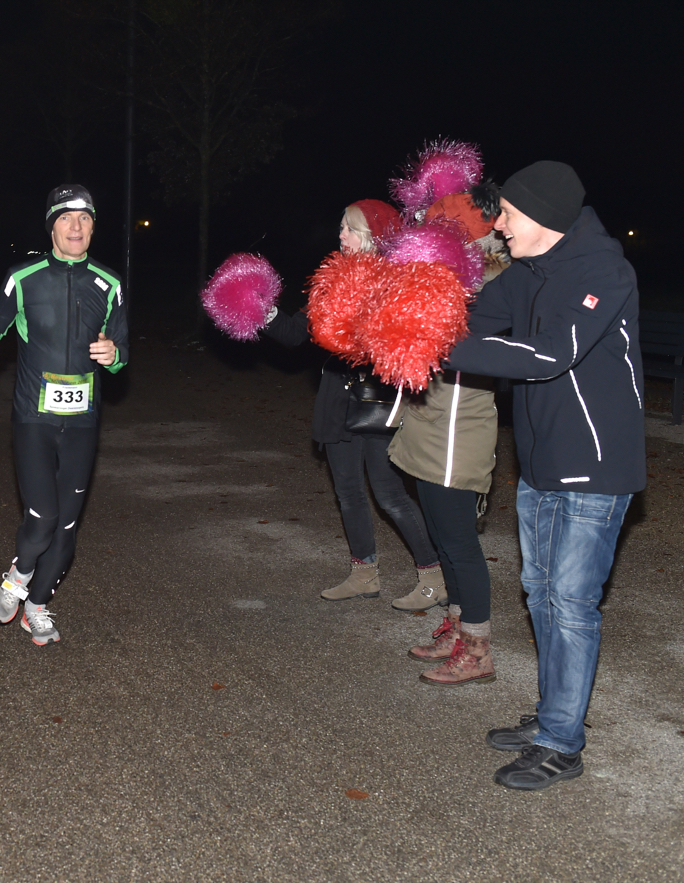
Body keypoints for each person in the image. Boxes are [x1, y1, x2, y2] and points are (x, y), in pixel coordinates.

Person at [443, 161, 645, 790]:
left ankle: (562, 743)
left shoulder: (602, 271)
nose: (496, 225)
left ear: (545, 218)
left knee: (571, 604)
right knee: (540, 594)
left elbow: (550, 354)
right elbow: (474, 320)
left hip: (596, 465)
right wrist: (411, 320)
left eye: (506, 213)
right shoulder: (530, 270)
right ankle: (551, 717)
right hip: (542, 463)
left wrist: (442, 350)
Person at [264, 200, 445, 608]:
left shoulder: (397, 282)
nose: (340, 235)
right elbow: (295, 333)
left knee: (389, 493)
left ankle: (433, 576)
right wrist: (260, 309)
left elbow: (404, 345)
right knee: (347, 492)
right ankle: (364, 572)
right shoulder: (329, 280)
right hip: (336, 399)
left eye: (349, 227)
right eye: (341, 226)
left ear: (374, 234)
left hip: (378, 399)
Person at [0, 185, 128, 646]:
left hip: (83, 421)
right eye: (65, 218)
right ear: (51, 226)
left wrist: (113, 354)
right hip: (33, 418)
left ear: (94, 226)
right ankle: (18, 577)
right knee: (42, 520)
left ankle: (36, 607)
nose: (75, 227)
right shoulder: (23, 277)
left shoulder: (110, 283)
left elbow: (121, 353)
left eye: (84, 218)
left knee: (67, 527)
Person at [388, 191, 509, 685]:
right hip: (428, 424)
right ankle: (458, 629)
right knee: (442, 536)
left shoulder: (495, 280)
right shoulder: (446, 275)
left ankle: (478, 649)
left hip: (460, 433)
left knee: (460, 543)